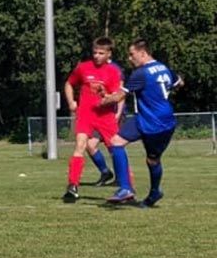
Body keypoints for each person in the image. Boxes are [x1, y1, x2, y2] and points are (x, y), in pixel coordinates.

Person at [105, 39, 183, 207]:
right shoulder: (163, 67)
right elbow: (180, 82)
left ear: (143, 53)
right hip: (165, 121)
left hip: (151, 121)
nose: (129, 58)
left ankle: (137, 190)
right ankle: (140, 191)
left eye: (132, 54)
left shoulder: (141, 73)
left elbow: (119, 96)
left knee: (148, 159)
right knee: (120, 144)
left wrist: (104, 99)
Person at [60, 37, 124, 203]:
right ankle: (72, 186)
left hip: (105, 117)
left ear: (109, 53)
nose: (96, 56)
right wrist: (72, 102)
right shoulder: (83, 68)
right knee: (81, 145)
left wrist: (106, 96)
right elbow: (69, 84)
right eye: (95, 52)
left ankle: (125, 186)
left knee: (116, 149)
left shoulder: (113, 71)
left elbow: (118, 96)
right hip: (85, 114)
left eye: (101, 53)